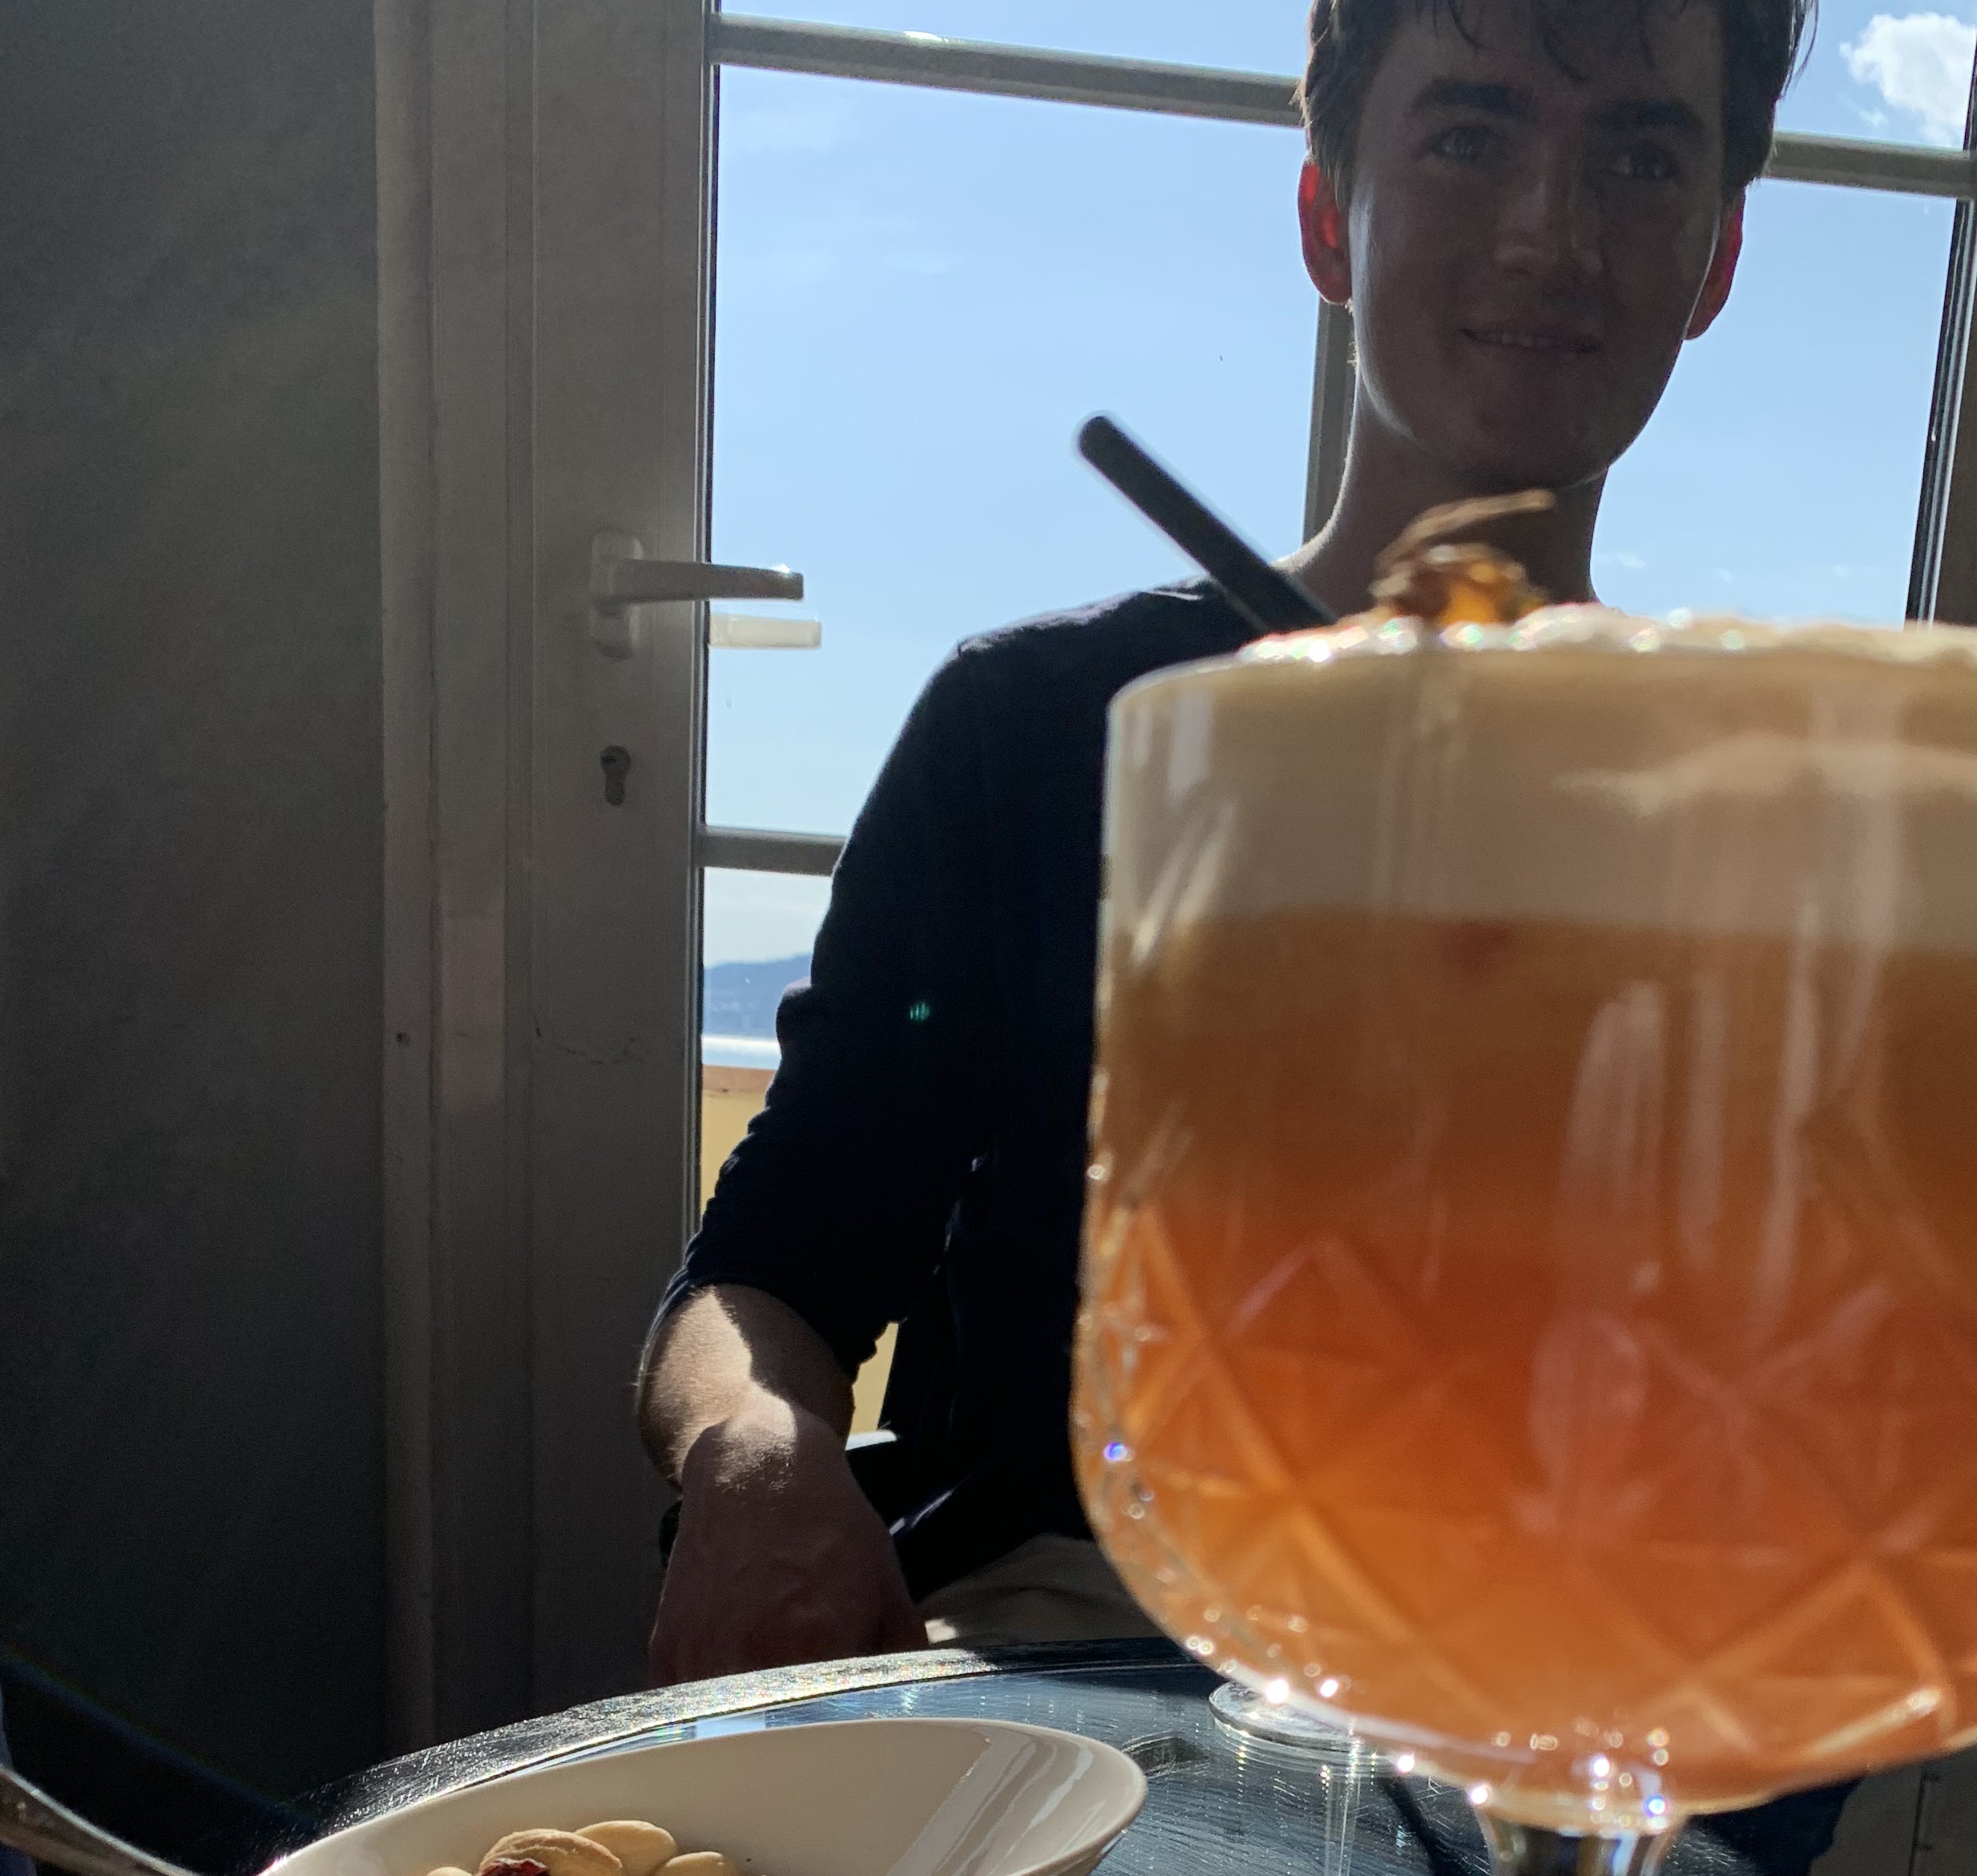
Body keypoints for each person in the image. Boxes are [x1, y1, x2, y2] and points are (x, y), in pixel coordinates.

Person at [639, 0, 1806, 1675]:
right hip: (1078, 1668)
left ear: (1717, 258)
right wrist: (755, 1454)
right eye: (1470, 136)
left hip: (1557, 1690)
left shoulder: (1767, 811)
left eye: (1638, 157)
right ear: (1330, 216)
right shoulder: (1040, 730)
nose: (1550, 235)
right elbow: (769, 1276)